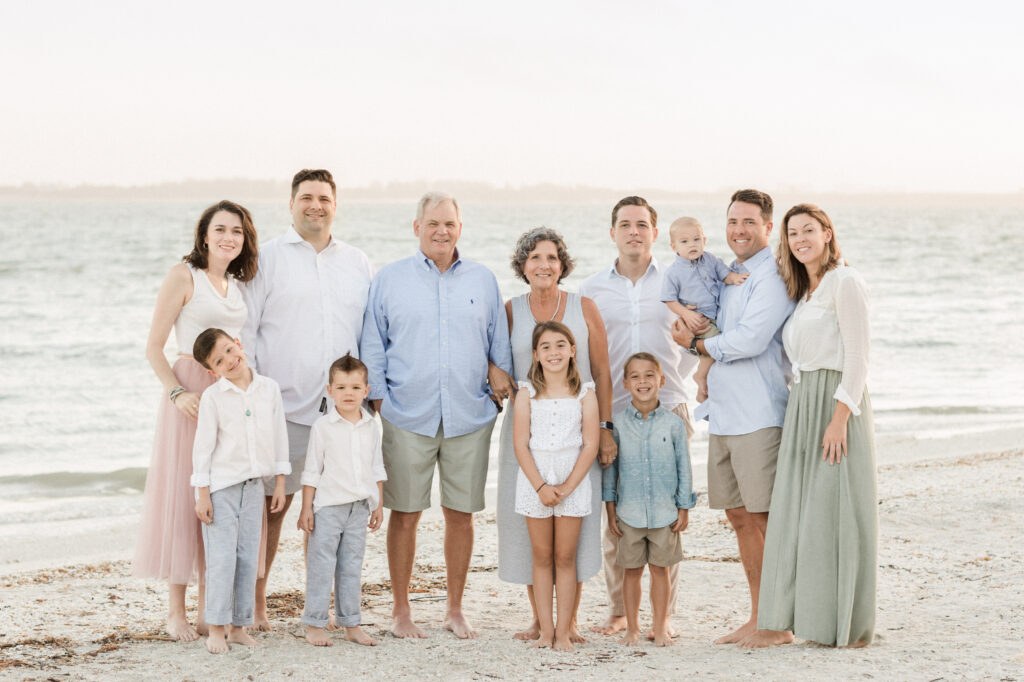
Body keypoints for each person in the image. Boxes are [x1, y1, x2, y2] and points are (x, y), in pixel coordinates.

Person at [360, 191, 513, 639]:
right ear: (417, 228)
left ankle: (455, 608)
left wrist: (495, 397)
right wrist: (380, 401)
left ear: (460, 228)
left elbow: (498, 344)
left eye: (449, 223)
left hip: (469, 415)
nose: (441, 231)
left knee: (460, 514)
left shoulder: (483, 280)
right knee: (404, 512)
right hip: (406, 413)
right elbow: (374, 343)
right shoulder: (389, 279)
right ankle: (401, 611)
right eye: (432, 224)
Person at [240, 169, 374, 631]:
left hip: (343, 416)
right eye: (306, 197)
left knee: (330, 516)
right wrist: (257, 398)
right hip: (284, 411)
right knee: (272, 512)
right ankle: (255, 604)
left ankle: (320, 609)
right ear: (291, 203)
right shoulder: (267, 258)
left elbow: (368, 335)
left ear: (336, 204)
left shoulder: (357, 262)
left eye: (323, 198)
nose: (315, 205)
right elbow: (248, 330)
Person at [670, 189, 795, 646]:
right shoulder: (729, 274)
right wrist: (687, 330)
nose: (739, 230)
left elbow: (749, 341)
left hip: (760, 413)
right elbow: (707, 322)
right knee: (739, 516)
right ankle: (759, 615)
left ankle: (777, 622)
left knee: (764, 518)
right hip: (722, 413)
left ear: (767, 226)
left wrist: (696, 345)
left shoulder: (775, 277)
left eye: (748, 222)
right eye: (732, 222)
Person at [132, 200, 257, 641]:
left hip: (227, 393)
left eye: (237, 232)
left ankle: (212, 609)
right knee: (186, 492)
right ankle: (176, 612)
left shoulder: (237, 287)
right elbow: (153, 346)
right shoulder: (184, 276)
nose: (228, 237)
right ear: (204, 235)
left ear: (244, 240)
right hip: (190, 393)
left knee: (219, 495)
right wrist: (177, 391)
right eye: (220, 229)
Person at [752, 204, 877, 647]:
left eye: (809, 230)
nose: (800, 238)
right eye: (792, 233)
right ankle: (805, 620)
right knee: (804, 513)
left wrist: (840, 418)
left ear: (828, 233)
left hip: (835, 406)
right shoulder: (804, 290)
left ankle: (844, 625)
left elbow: (859, 356)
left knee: (835, 512)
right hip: (803, 403)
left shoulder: (845, 281)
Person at [579, 196, 698, 638]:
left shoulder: (675, 281)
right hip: (613, 411)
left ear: (655, 232)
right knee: (617, 510)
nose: (634, 231)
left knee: (667, 512)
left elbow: (694, 338)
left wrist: (676, 382)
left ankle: (663, 617)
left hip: (668, 406)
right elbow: (587, 354)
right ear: (612, 232)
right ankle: (618, 610)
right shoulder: (592, 289)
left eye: (642, 225)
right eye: (625, 224)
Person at [495, 227, 614, 643]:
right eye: (534, 258)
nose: (543, 265)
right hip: (526, 433)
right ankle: (540, 621)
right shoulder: (510, 310)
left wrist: (605, 429)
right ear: (522, 267)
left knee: (571, 536)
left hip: (577, 433)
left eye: (551, 258)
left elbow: (601, 373)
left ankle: (570, 621)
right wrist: (495, 373)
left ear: (562, 265)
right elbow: (493, 359)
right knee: (528, 533)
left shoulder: (585, 308)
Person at [190, 328, 290, 654]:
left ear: (239, 344)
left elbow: (279, 435)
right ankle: (216, 627)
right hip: (221, 488)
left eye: (230, 350)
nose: (230, 361)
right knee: (222, 558)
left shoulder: (269, 389)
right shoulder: (213, 398)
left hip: (254, 485)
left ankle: (238, 626)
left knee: (248, 557)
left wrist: (279, 482)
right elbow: (203, 448)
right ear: (211, 370)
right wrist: (201, 493)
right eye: (219, 360)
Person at [513, 322, 600, 651]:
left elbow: (590, 445)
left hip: (572, 481)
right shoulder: (527, 393)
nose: (554, 352)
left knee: (565, 558)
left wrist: (565, 488)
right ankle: (545, 631)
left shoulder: (585, 394)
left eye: (561, 345)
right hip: (535, 480)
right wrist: (540, 487)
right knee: (542, 557)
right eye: (546, 347)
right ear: (535, 354)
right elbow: (521, 445)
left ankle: (563, 631)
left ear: (573, 350)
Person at [603, 352, 695, 647]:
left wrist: (684, 506)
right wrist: (610, 509)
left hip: (665, 513)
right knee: (631, 572)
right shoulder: (617, 425)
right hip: (628, 512)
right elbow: (610, 472)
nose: (643, 381)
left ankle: (660, 627)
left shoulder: (673, 424)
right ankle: (632, 629)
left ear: (662, 380)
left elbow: (685, 466)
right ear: (625, 383)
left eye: (649, 375)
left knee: (661, 570)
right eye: (635, 376)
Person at [299, 353, 386, 648]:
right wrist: (306, 509)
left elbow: (377, 467)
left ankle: (351, 624)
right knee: (322, 565)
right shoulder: (323, 427)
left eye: (354, 387)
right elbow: (312, 470)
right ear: (329, 390)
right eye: (341, 388)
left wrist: (378, 503)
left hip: (359, 507)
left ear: (366, 391)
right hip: (329, 508)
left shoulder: (371, 426)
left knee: (351, 565)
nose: (348, 394)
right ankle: (314, 624)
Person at [661, 217, 748, 402]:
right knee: (714, 343)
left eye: (696, 239)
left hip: (713, 316)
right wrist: (686, 313)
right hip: (696, 319)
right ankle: (700, 376)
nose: (692, 245)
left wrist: (735, 279)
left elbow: (724, 274)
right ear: (673, 247)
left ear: (704, 241)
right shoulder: (673, 272)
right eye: (684, 242)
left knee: (717, 344)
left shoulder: (710, 259)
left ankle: (708, 390)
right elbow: (669, 299)